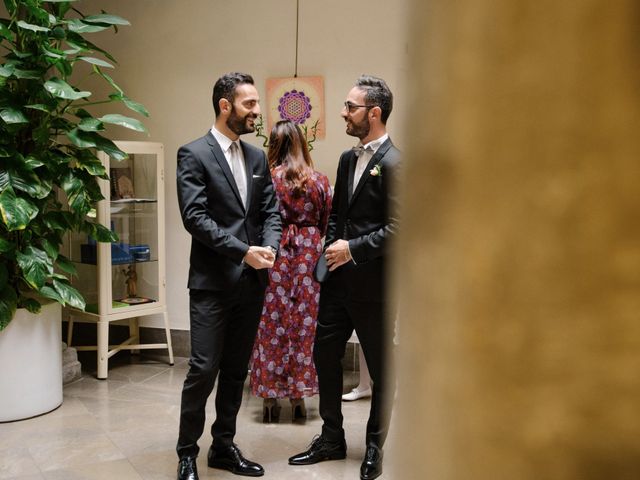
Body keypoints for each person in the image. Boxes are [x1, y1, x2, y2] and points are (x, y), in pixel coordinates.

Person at [288, 75, 400, 480]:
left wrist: (352, 249)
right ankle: (331, 437)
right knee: (324, 357)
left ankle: (374, 447)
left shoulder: (396, 163)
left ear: (374, 113)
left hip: (375, 288)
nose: (343, 113)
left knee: (381, 368)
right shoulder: (347, 159)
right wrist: (331, 249)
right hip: (336, 284)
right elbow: (337, 216)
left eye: (350, 107)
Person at [175, 72, 282, 480]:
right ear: (225, 106)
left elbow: (270, 211)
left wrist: (268, 247)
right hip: (211, 283)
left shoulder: (257, 158)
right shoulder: (194, 153)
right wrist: (243, 251)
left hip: (252, 283)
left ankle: (223, 447)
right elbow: (195, 218)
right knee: (203, 368)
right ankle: (187, 453)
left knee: (238, 369)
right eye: (250, 104)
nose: (257, 111)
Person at [249, 120, 332, 423]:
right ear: (301, 144)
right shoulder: (320, 181)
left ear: (274, 145)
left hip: (274, 254)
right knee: (305, 326)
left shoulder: (266, 180)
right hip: (308, 257)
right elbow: (325, 222)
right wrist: (308, 235)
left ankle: (270, 398)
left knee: (270, 324)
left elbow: (255, 221)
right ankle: (299, 396)